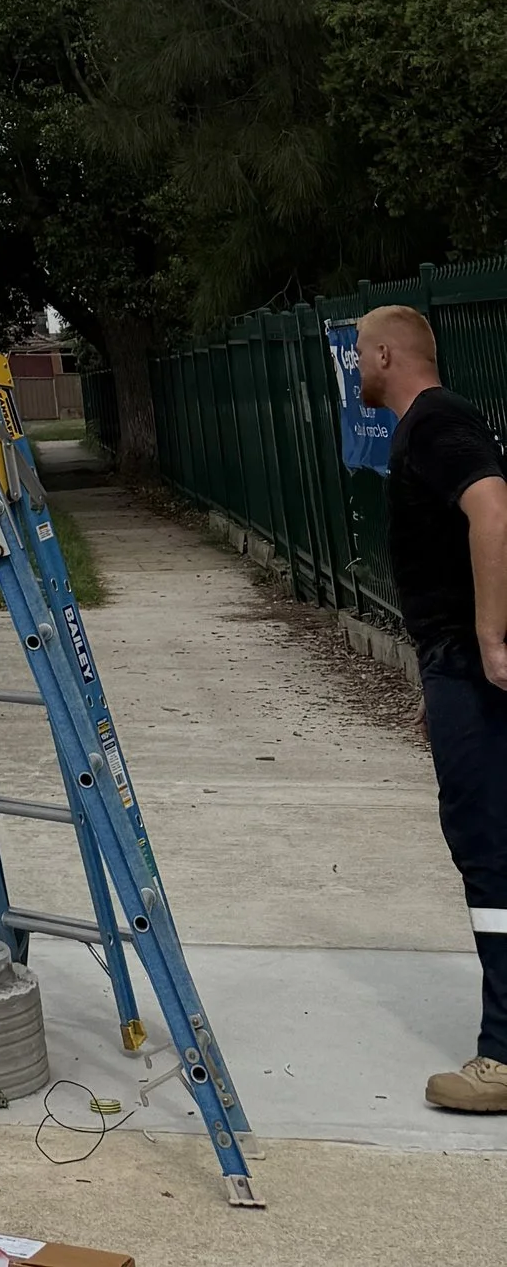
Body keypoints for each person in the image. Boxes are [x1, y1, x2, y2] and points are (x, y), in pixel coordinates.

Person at [357, 304, 507, 1115]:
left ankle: (505, 1055)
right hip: (453, 671)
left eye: (358, 354)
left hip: (471, 668)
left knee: (489, 848)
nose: (356, 369)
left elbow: (493, 506)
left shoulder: (434, 422)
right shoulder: (437, 424)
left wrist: (487, 639)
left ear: (387, 352)